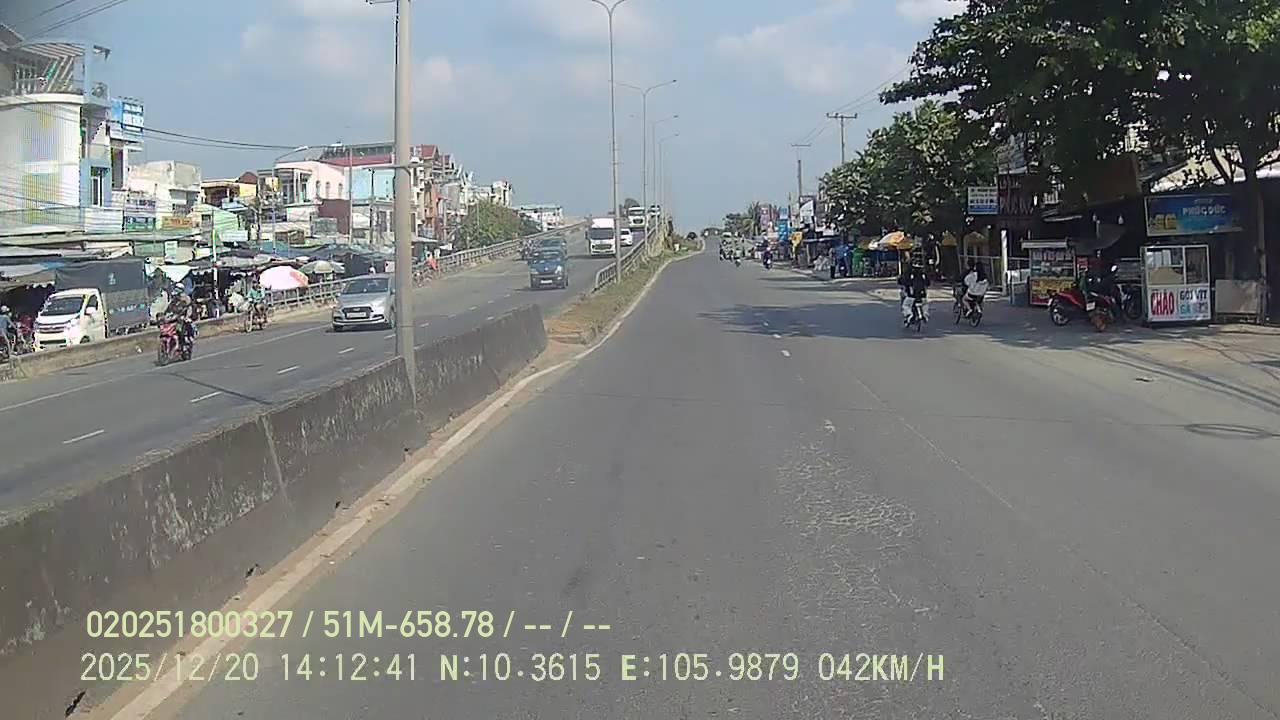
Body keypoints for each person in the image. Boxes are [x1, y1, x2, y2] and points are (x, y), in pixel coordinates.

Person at [898, 258, 931, 326]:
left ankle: (909, 315)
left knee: (905, 305)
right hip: (922, 295)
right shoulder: (923, 273)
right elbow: (928, 283)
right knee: (925, 304)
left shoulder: (908, 272)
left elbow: (903, 280)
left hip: (911, 295)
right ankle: (925, 314)